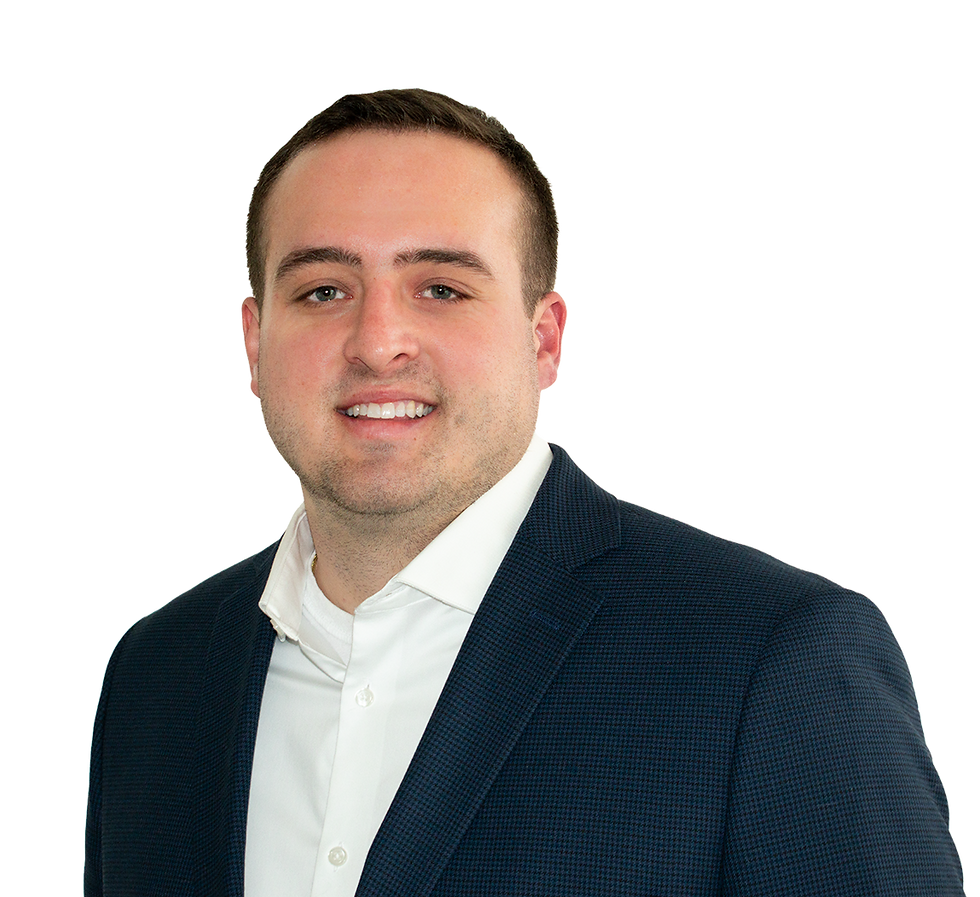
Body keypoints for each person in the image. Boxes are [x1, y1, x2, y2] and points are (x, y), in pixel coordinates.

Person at [82, 86, 966, 896]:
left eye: (441, 287)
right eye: (323, 290)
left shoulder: (776, 659)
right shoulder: (155, 676)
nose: (378, 341)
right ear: (253, 342)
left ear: (545, 340)